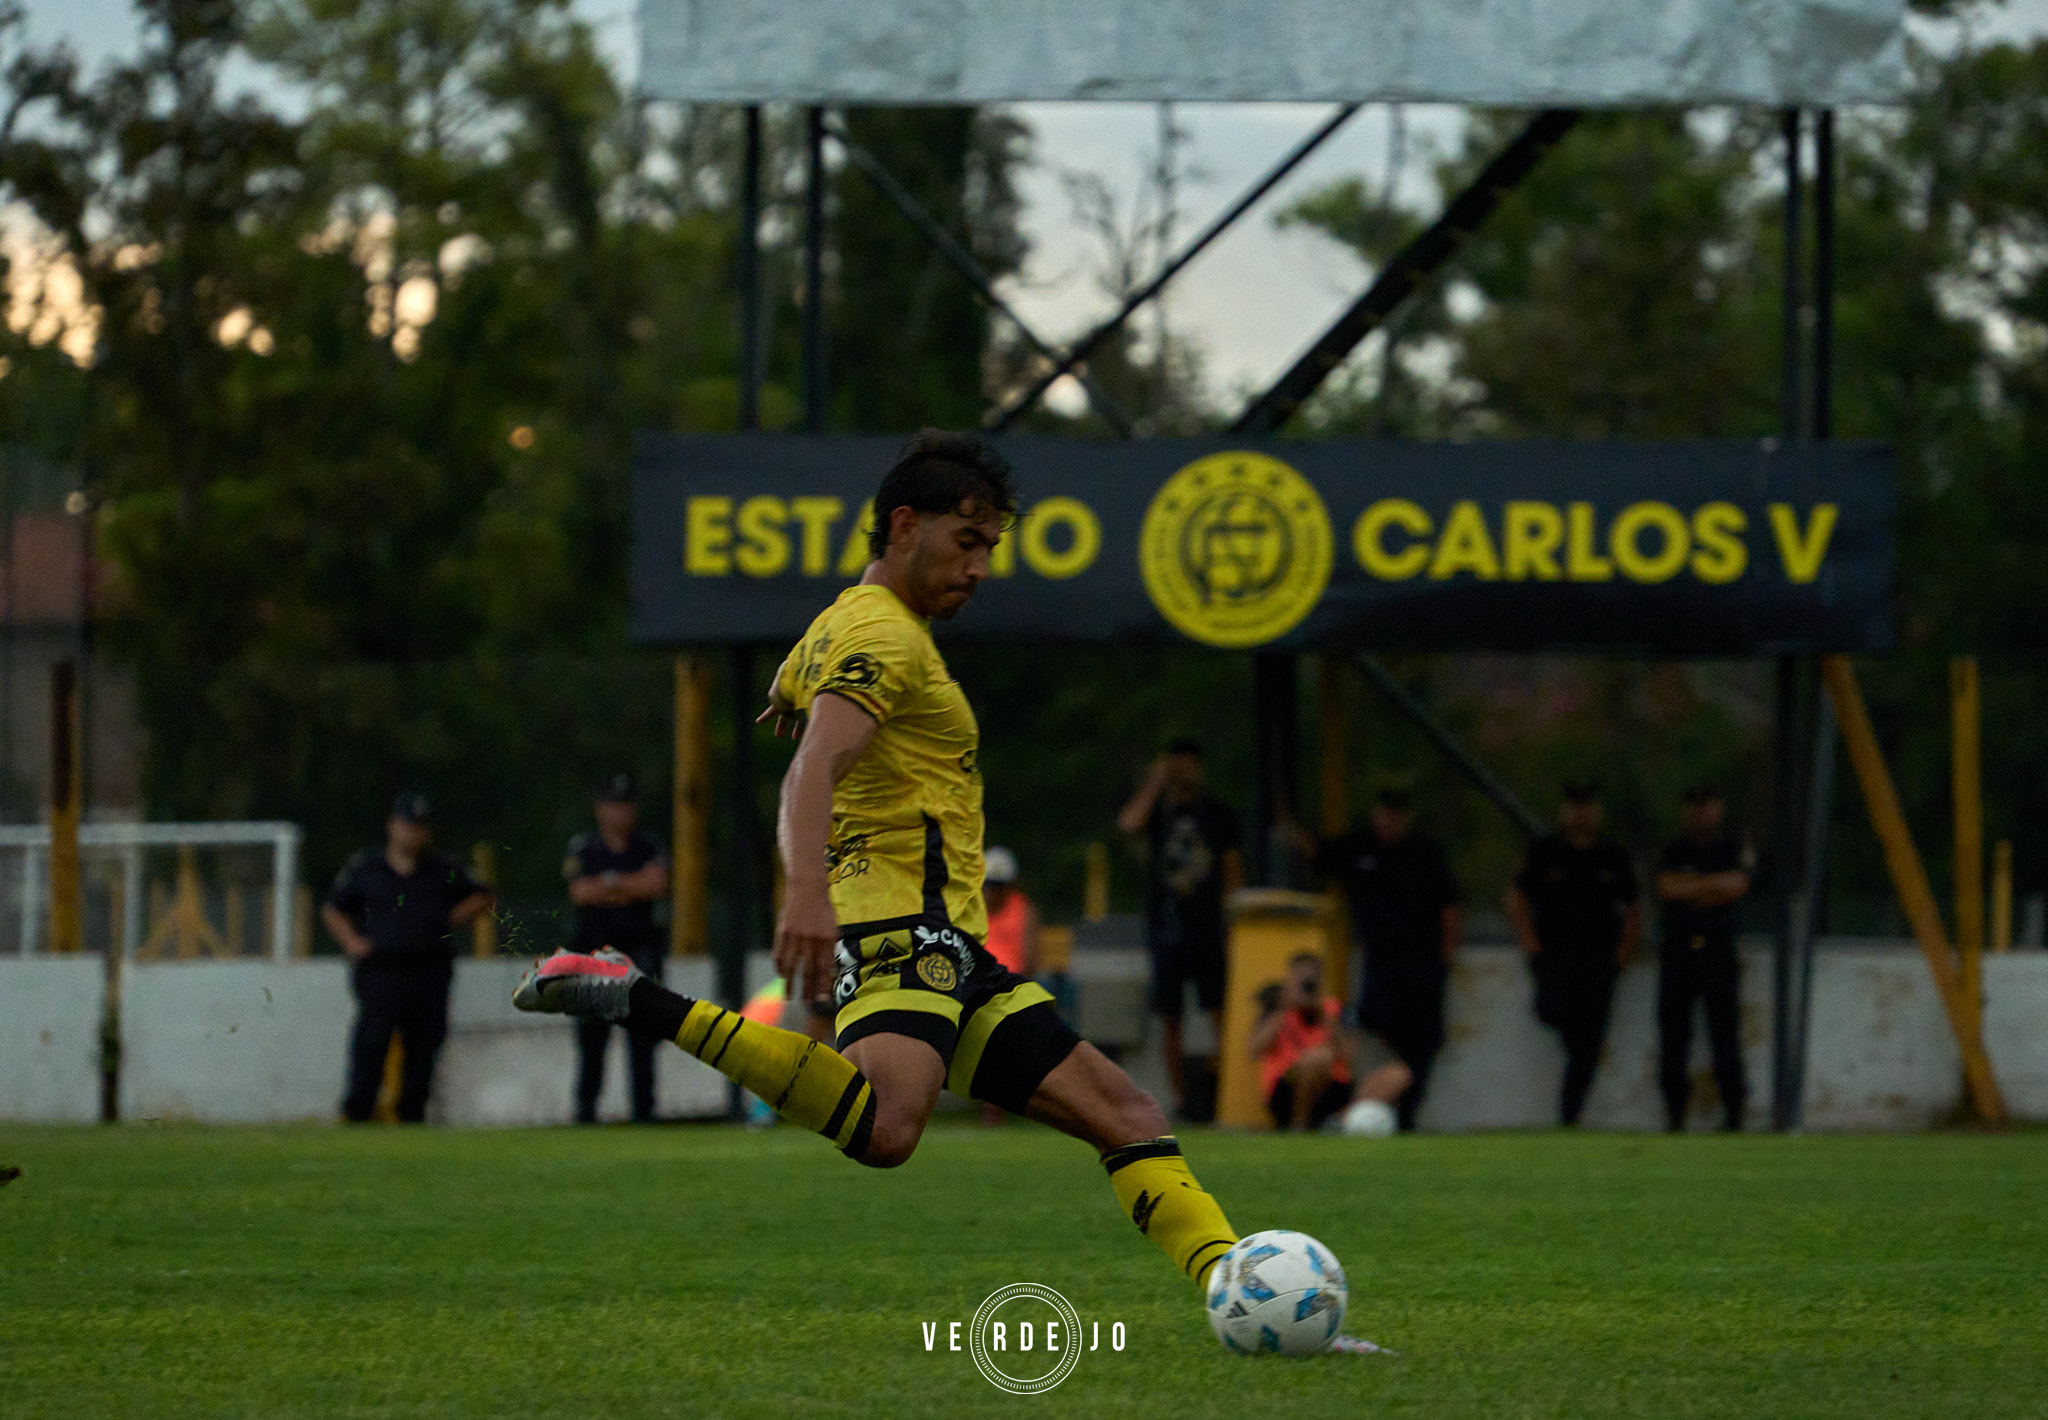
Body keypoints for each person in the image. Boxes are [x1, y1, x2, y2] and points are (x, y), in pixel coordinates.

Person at [514, 431, 1243, 1303]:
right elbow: (813, 763)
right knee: (889, 1126)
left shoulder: (849, 623)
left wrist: (790, 688)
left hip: (955, 943)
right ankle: (637, 996)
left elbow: (801, 698)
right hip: (901, 924)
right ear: (904, 525)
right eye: (966, 541)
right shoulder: (885, 635)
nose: (979, 567)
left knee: (1127, 1116)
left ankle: (1241, 1295)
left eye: (990, 549)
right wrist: (809, 893)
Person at [1290, 787, 1460, 1132]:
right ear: (1376, 814)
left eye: (1398, 814)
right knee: (1374, 1029)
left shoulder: (1424, 852)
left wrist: (1446, 957)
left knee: (1421, 1043)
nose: (1391, 821)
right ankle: (1359, 1110)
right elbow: (1319, 855)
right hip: (1380, 964)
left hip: (1422, 963)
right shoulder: (1360, 847)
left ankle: (1405, 1117)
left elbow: (1450, 906)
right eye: (1386, 812)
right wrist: (1286, 822)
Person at [324, 793, 493, 1123]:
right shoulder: (366, 868)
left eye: (419, 827)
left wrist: (448, 919)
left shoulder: (442, 869)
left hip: (429, 966)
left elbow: (483, 896)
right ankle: (358, 1111)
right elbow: (334, 908)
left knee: (424, 1043)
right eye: (406, 825)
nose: (411, 833)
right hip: (381, 967)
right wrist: (352, 942)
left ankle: (412, 1114)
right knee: (372, 1041)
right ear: (392, 826)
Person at [1115, 739, 1243, 1119]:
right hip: (1166, 929)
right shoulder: (1159, 812)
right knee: (1171, 1018)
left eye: (1191, 764)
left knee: (1220, 1011)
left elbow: (1232, 870)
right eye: (1178, 764)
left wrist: (1232, 926)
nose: (1186, 772)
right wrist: (1156, 783)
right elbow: (1127, 824)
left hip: (1208, 929)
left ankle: (1223, 1097)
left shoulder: (1217, 813)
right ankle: (1182, 1101)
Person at [1505, 781, 1642, 1127]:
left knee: (1587, 1048)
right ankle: (1571, 1033)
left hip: (1598, 961)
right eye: (1574, 805)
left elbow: (1634, 908)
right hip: (1555, 957)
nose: (1580, 813)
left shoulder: (1613, 854)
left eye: (1587, 806)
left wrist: (1623, 954)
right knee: (1551, 1009)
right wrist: (1531, 944)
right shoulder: (1546, 851)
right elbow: (1516, 898)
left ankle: (1570, 1117)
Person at [563, 775, 671, 1124]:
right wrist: (629, 885)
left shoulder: (648, 846)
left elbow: (656, 885)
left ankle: (645, 1111)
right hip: (595, 953)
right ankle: (586, 1112)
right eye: (613, 804)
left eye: (625, 805)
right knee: (592, 1035)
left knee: (644, 1034)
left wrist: (608, 883)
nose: (619, 813)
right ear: (599, 809)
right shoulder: (584, 847)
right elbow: (581, 893)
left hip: (638, 951)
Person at [1655, 784, 1755, 1132]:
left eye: (1706, 804)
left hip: (1718, 953)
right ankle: (1674, 1113)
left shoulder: (1731, 847)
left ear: (1719, 807)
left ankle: (1733, 1113)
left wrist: (1692, 888)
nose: (1700, 812)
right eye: (1693, 805)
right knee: (1673, 1036)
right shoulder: (1673, 849)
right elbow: (1667, 888)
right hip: (1679, 953)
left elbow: (1737, 886)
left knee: (1725, 1035)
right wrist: (1713, 888)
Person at [1249, 952, 1412, 1131]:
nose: (1307, 986)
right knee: (1317, 1058)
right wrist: (1283, 1010)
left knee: (1398, 1074)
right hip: (1287, 1090)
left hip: (1334, 1086)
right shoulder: (1277, 1008)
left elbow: (1350, 1054)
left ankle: (1341, 1122)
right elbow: (1254, 1050)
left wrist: (1326, 1018)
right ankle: (1300, 1125)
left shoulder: (1333, 1010)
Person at [977, 846, 1040, 1126]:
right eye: (990, 884)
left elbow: (1029, 957)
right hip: (977, 987)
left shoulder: (1023, 909)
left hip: (1010, 987)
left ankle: (994, 1110)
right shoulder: (973, 909)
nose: (994, 891)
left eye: (999, 886)